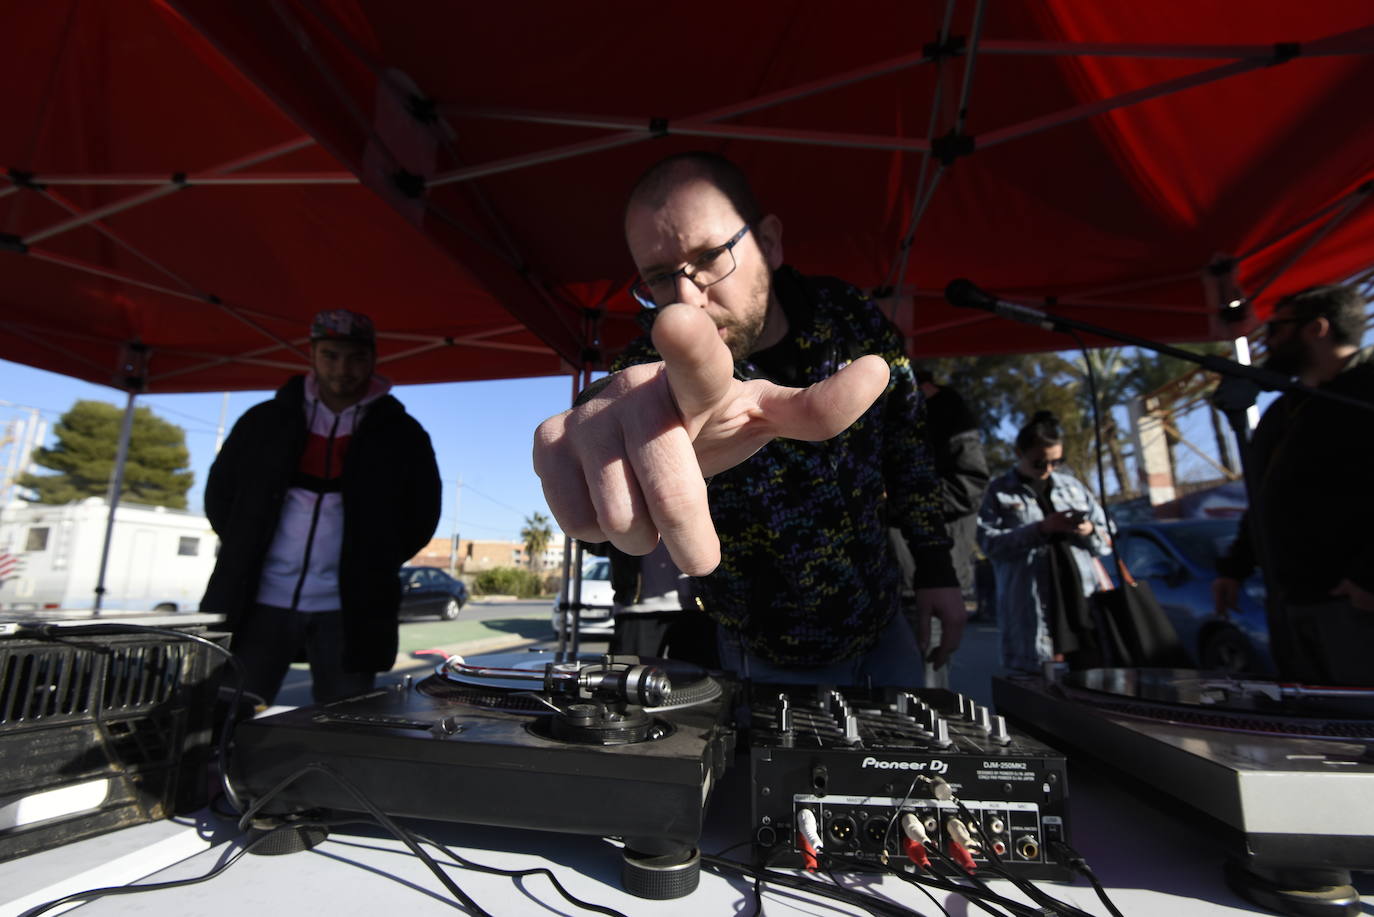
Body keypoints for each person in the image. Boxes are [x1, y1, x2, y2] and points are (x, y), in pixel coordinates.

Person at [533, 151, 964, 686]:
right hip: (748, 655)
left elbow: (910, 452)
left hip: (884, 625)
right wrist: (597, 451)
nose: (686, 298)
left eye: (710, 256)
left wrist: (936, 570)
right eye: (659, 278)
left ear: (770, 242)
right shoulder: (649, 366)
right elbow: (610, 439)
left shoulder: (849, 318)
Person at [202, 309, 441, 705]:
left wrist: (375, 562)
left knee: (343, 726)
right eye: (330, 355)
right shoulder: (264, 421)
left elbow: (422, 514)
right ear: (311, 355)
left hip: (350, 611)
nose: (342, 368)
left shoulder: (403, 433)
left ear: (373, 360)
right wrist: (247, 543)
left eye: (356, 357)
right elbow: (219, 496)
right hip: (257, 603)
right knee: (226, 719)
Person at [1213, 284, 1374, 685]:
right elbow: (1266, 498)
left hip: (1357, 605)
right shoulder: (1286, 411)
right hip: (1296, 604)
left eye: (1276, 330)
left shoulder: (1366, 391)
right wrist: (1235, 568)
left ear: (1316, 328)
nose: (1266, 343)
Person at [978, 411, 1109, 674]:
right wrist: (1040, 529)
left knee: (1094, 689)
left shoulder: (1072, 487)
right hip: (1032, 610)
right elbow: (988, 544)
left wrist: (1088, 528)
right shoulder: (998, 491)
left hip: (1083, 604)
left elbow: (1107, 539)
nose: (1049, 469)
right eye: (1040, 463)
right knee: (1042, 696)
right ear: (1019, 453)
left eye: (1057, 461)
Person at [913, 369, 990, 597]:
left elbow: (968, 488)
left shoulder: (948, 411)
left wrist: (897, 497)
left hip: (936, 573)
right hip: (891, 577)